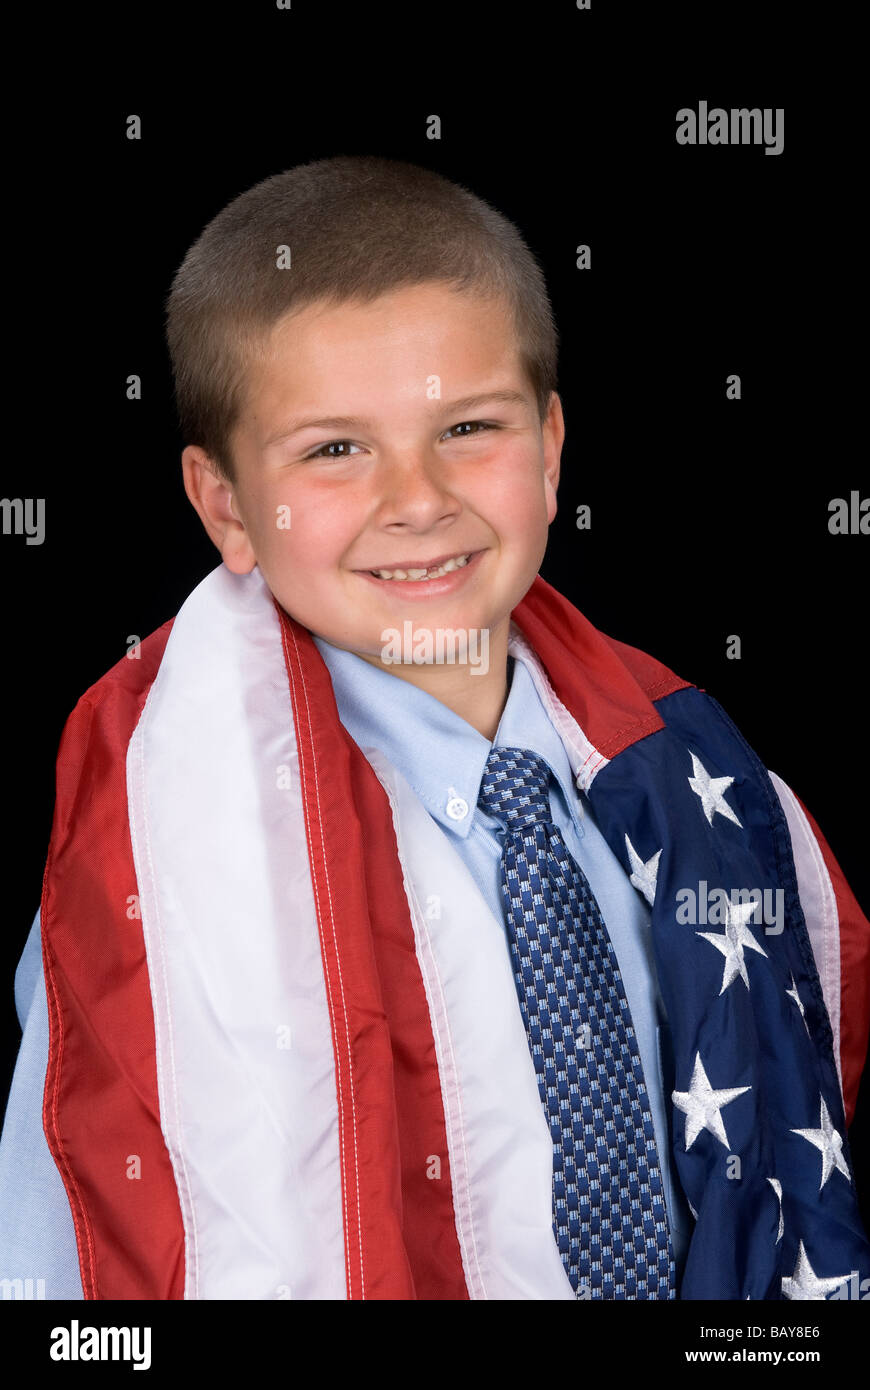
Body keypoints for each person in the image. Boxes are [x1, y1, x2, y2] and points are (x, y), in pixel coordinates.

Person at [1, 155, 868, 1301]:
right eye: (334, 449)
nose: (417, 499)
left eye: (469, 427)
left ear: (553, 451)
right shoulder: (162, 859)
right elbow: (70, 1248)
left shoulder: (694, 773)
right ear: (225, 505)